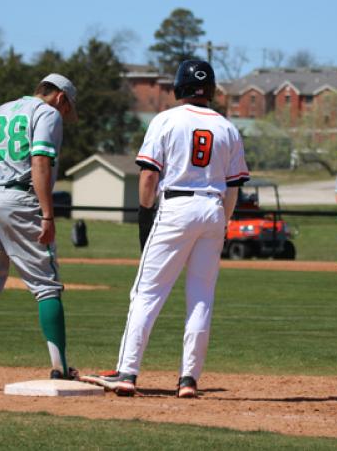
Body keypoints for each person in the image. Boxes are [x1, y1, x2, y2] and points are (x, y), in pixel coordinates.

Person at [82, 60, 249, 398]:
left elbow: (148, 177)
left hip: (176, 206)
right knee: (201, 297)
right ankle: (189, 379)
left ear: (177, 89)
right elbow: (233, 188)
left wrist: (146, 216)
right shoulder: (228, 128)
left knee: (147, 292)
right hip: (213, 207)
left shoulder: (166, 119)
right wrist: (223, 222)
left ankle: (127, 372)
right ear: (212, 91)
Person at [0, 73, 79, 389]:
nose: (65, 115)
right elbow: (40, 161)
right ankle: (59, 369)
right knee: (46, 284)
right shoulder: (47, 113)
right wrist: (48, 215)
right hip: (22, 199)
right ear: (61, 98)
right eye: (68, 108)